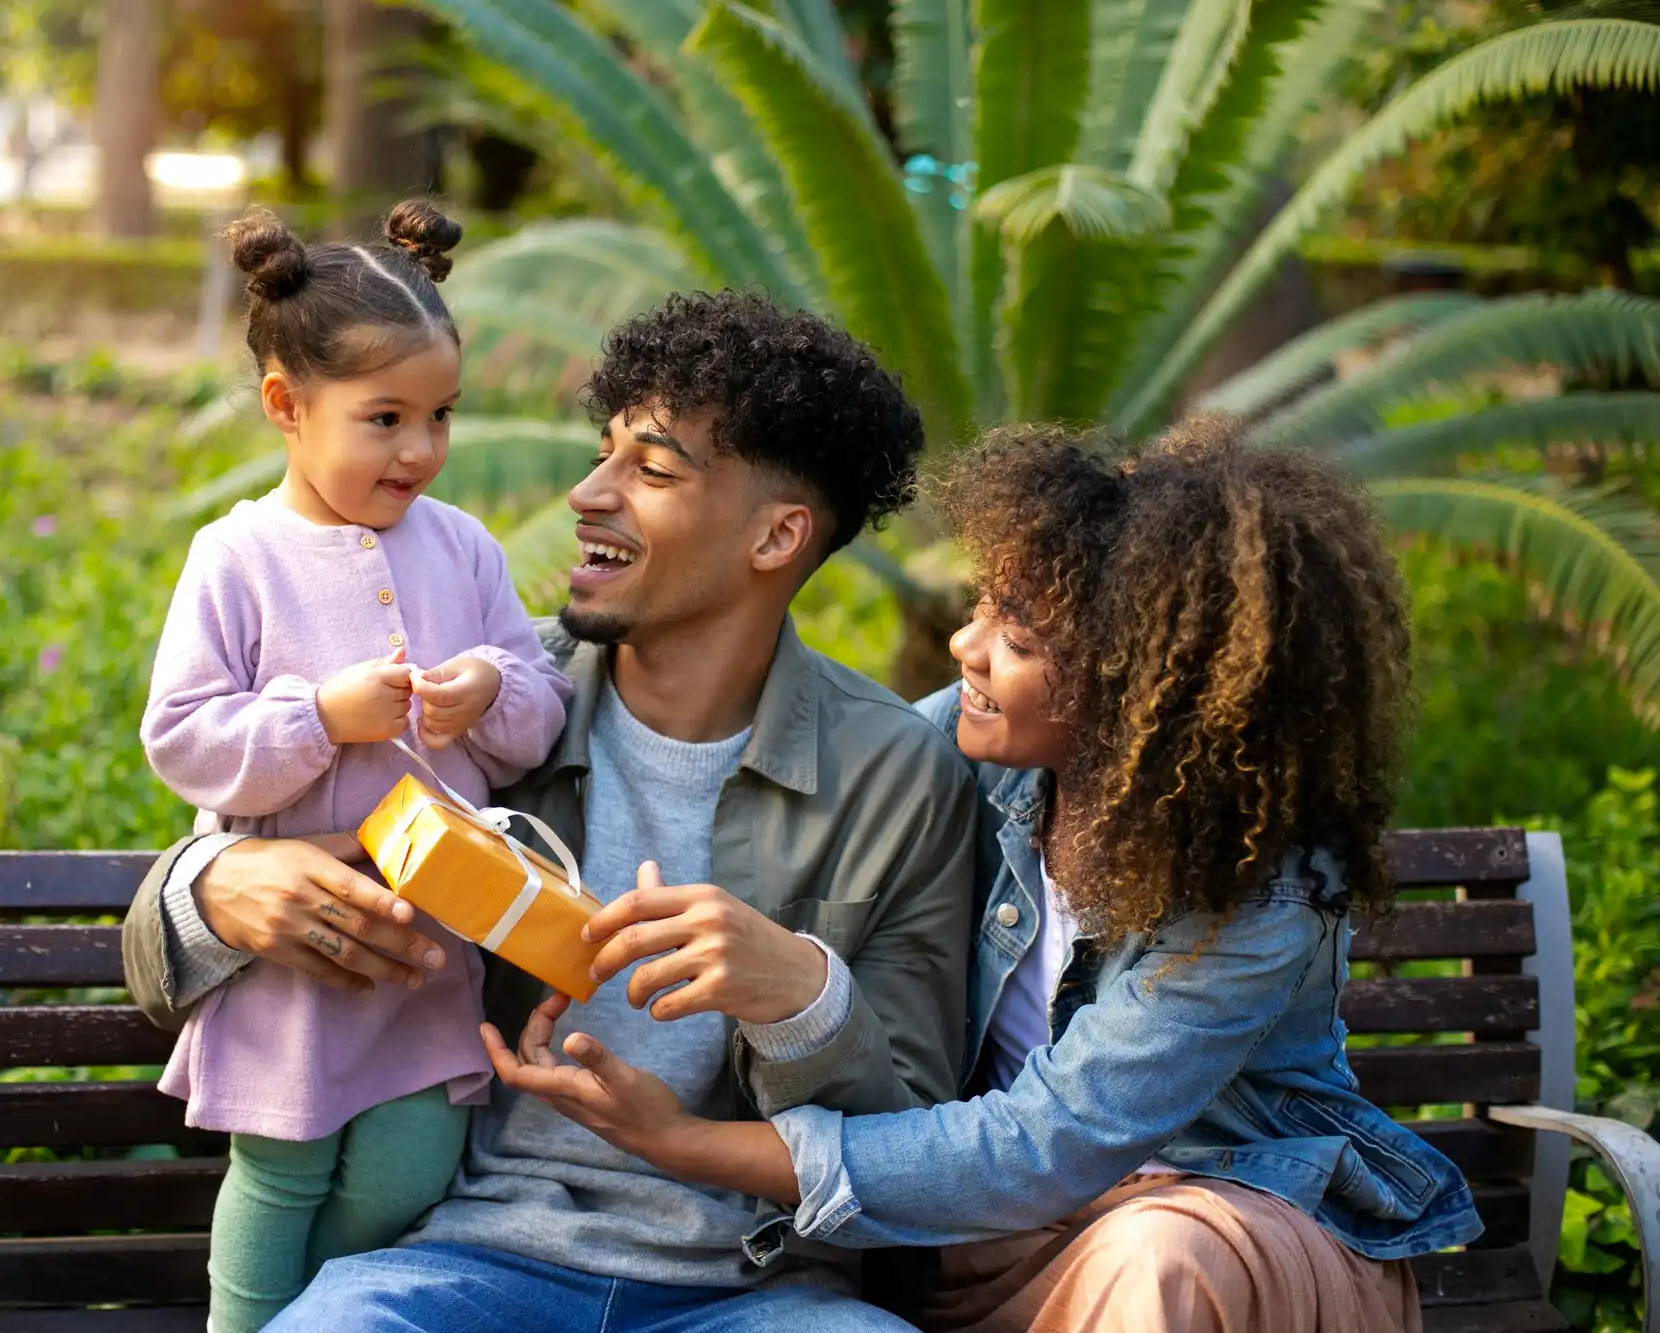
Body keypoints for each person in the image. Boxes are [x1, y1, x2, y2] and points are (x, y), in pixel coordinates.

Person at [488, 419, 1483, 1333]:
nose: (964, 648)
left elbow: (1045, 1143)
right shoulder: (961, 757)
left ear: (1143, 692)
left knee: (1159, 1254)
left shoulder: (1255, 888)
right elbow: (804, 742)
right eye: (983, 607)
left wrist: (688, 1144)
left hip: (1215, 1231)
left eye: (1019, 638)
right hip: (984, 1241)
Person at [121, 290, 979, 1331]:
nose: (586, 493)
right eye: (601, 452)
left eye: (649, 469)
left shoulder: (897, 775)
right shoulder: (476, 701)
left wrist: (800, 997)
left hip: (754, 1289)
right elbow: (184, 889)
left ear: (776, 536)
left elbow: (923, 1147)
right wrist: (210, 887)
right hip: (462, 1259)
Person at [138, 201, 573, 1333]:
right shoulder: (235, 556)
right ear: (288, 406)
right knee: (280, 1175)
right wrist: (318, 716)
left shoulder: (464, 548)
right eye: (383, 418)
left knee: (402, 1179)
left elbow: (535, 719)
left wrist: (486, 685)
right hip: (293, 956)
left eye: (439, 417)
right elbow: (183, 738)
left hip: (430, 955)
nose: (418, 450)